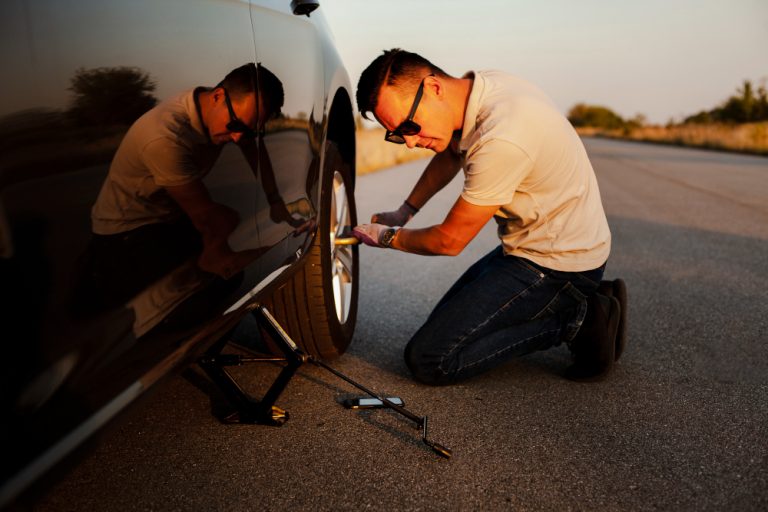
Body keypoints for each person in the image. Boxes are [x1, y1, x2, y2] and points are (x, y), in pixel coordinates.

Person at [353, 49, 627, 385]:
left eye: (409, 126)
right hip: (533, 248)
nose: (409, 142)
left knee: (430, 358)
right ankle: (587, 297)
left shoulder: (502, 135)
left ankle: (579, 319)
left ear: (434, 88)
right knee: (445, 327)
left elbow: (449, 241)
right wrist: (405, 210)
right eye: (397, 134)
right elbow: (451, 152)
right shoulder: (482, 91)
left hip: (559, 265)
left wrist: (385, 237)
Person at [80, 63, 283, 312]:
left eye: (250, 131)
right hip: (127, 231)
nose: (238, 138)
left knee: (224, 266)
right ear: (218, 96)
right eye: (236, 126)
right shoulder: (165, 137)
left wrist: (276, 201)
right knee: (211, 292)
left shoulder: (227, 111)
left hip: (168, 215)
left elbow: (254, 151)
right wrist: (280, 248)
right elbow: (209, 224)